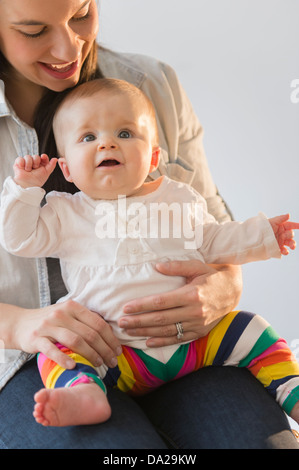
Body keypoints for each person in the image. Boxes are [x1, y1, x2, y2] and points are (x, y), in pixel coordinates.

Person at [0, 0, 297, 449]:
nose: (68, 46)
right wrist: (20, 325)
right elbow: (21, 234)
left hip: (185, 341)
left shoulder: (153, 88)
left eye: (81, 14)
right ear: (64, 165)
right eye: (33, 29)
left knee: (262, 434)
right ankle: (84, 394)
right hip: (33, 356)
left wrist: (225, 285)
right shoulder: (62, 210)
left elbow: (214, 234)